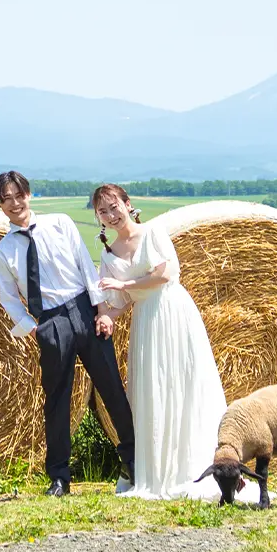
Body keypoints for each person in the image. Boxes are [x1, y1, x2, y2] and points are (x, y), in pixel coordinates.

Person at [0, 170, 136, 496]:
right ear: (0, 205)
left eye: (18, 195)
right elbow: (8, 298)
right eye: (6, 199)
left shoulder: (60, 223)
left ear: (28, 195)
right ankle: (59, 477)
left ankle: (133, 460)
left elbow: (85, 264)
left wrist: (100, 309)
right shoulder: (4, 251)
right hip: (51, 322)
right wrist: (34, 328)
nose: (14, 203)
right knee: (56, 401)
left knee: (111, 386)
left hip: (84, 309)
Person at [92, 183, 228, 500]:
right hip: (146, 321)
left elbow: (164, 275)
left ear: (128, 204)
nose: (110, 215)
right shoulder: (108, 253)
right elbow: (121, 299)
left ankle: (197, 468)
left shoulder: (153, 232)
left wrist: (123, 282)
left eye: (114, 207)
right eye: (102, 211)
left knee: (184, 386)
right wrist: (107, 317)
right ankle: (158, 471)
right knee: (154, 391)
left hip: (173, 312)